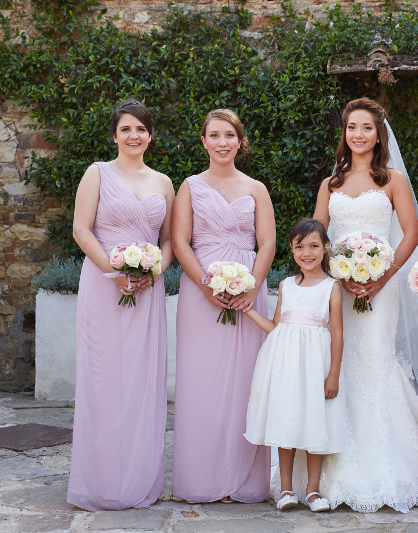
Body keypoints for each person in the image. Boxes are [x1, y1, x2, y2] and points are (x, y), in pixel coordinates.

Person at [312, 97, 418, 512]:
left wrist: (379, 278)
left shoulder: (392, 180)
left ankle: (386, 464)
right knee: (340, 364)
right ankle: (333, 464)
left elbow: (412, 235)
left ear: (378, 135)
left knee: (375, 360)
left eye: (366, 128)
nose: (358, 135)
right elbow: (317, 236)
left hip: (384, 288)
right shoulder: (332, 184)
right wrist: (338, 271)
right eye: (351, 128)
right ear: (343, 134)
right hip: (340, 289)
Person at [67, 99, 175, 511]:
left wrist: (151, 273)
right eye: (126, 129)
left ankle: (137, 481)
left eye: (141, 129)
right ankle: (101, 482)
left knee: (141, 383)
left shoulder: (164, 183)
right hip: (104, 286)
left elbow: (167, 241)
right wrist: (116, 271)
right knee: (104, 380)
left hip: (146, 290)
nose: (134, 136)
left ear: (151, 135)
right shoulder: (97, 174)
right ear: (115, 135)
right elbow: (81, 229)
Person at [171, 109, 275, 503]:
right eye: (214, 135)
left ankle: (244, 480)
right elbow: (180, 241)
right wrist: (205, 286)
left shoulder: (256, 188)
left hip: (248, 290)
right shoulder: (190, 187)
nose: (222, 143)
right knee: (202, 384)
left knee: (247, 382)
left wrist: (254, 287)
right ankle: (203, 479)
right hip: (202, 293)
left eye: (229, 135)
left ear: (239, 141)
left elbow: (266, 243)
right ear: (204, 141)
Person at [243, 218, 346, 513]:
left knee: (316, 422)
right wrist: (249, 311)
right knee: (285, 421)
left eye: (314, 246)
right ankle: (286, 489)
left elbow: (337, 334)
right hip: (285, 364)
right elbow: (276, 326)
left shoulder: (331, 287)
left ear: (326, 249)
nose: (307, 253)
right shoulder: (287, 285)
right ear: (291, 249)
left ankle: (312, 490)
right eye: (300, 247)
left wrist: (333, 375)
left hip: (317, 366)